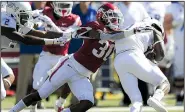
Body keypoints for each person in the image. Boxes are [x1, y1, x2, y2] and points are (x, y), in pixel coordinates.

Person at [9, 3, 150, 112]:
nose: (115, 20)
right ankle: (13, 110)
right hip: (70, 66)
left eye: (116, 17)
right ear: (102, 17)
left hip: (84, 75)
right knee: (39, 94)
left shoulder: (118, 35)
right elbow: (106, 36)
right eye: (111, 16)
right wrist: (132, 31)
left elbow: (125, 43)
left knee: (88, 102)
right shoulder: (95, 27)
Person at [28, 2, 81, 111]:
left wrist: (51, 25)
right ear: (54, 5)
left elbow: (65, 35)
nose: (64, 8)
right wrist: (32, 19)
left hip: (61, 57)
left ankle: (60, 102)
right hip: (47, 55)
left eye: (66, 5)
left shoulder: (75, 19)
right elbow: (30, 16)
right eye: (61, 5)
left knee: (71, 79)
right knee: (37, 84)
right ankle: (33, 107)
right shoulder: (46, 12)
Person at [114, 1, 151, 106]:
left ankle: (145, 98)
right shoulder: (116, 6)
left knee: (141, 71)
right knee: (123, 72)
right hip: (120, 44)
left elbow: (147, 20)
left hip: (138, 45)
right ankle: (126, 99)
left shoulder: (138, 6)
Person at [164, 2, 184, 105]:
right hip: (179, 43)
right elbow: (165, 25)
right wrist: (176, 23)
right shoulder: (173, 7)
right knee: (180, 70)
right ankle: (180, 96)